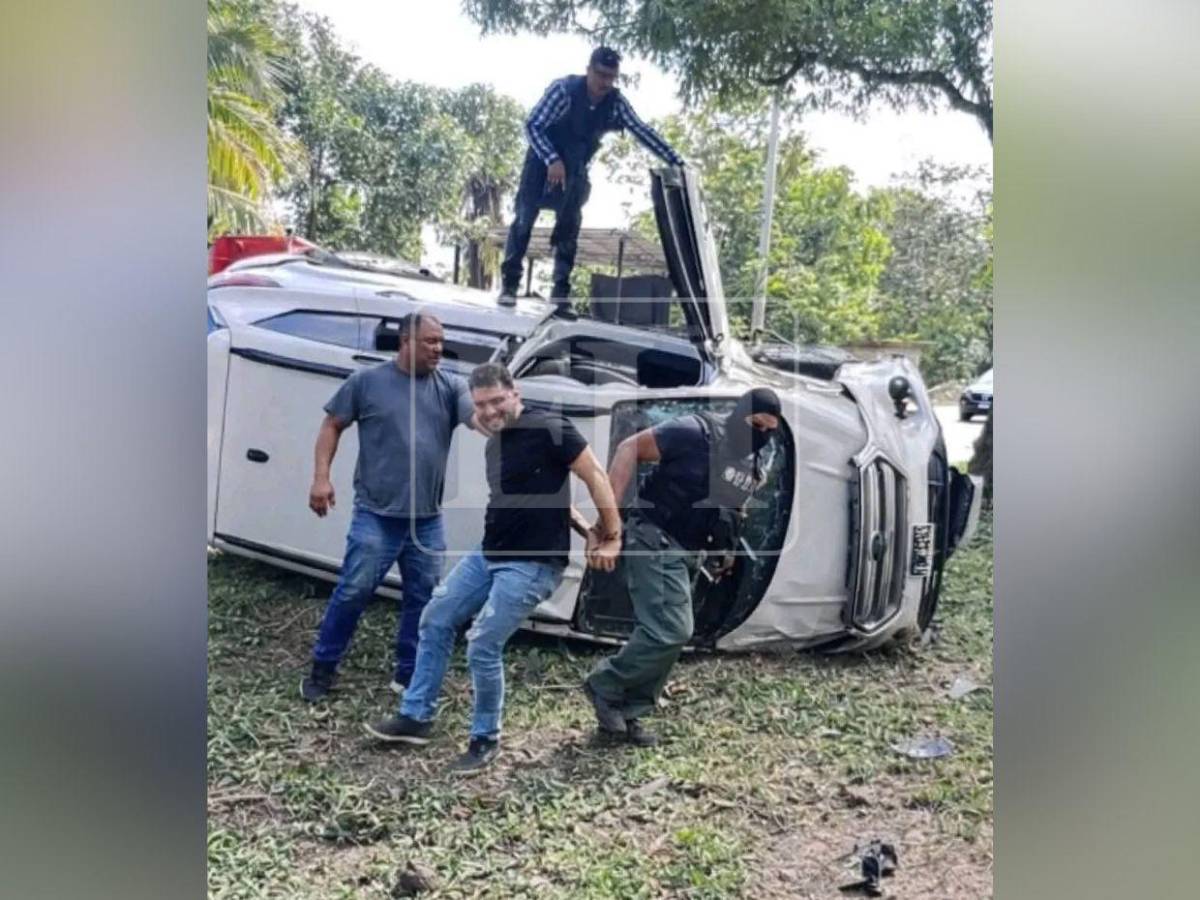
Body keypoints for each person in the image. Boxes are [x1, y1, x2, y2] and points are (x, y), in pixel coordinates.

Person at [365, 362, 623, 775]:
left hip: (534, 563)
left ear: (514, 393)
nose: (489, 411)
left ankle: (485, 738)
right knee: (435, 618)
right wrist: (583, 527)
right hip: (489, 555)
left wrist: (610, 534)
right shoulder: (495, 445)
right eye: (481, 405)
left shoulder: (550, 427)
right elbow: (549, 499)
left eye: (497, 401)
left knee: (483, 642)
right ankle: (416, 716)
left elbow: (596, 477)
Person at [300, 312, 484, 702]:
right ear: (405, 341)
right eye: (430, 341)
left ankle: (407, 673)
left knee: (424, 599)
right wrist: (321, 477)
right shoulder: (366, 382)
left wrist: (502, 419)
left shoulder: (450, 387)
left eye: (441, 341)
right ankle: (322, 669)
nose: (438, 349)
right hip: (376, 516)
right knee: (353, 591)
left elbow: (478, 419)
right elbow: (332, 425)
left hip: (426, 521)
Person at [582, 388, 783, 746]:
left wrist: (727, 550)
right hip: (655, 536)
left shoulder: (753, 463)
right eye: (756, 425)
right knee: (671, 630)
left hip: (691, 550)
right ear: (739, 414)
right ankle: (605, 683)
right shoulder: (694, 432)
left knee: (666, 634)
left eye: (770, 430)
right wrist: (608, 524)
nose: (761, 436)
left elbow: (734, 507)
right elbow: (629, 448)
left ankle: (627, 713)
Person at [499, 46, 684, 314]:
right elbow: (532, 125)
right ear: (588, 70)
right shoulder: (563, 90)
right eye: (600, 75)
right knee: (524, 220)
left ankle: (560, 294)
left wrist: (676, 161)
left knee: (569, 227)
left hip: (575, 169)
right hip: (541, 162)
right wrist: (551, 159)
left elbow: (641, 130)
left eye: (611, 77)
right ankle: (509, 285)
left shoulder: (616, 103)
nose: (604, 83)